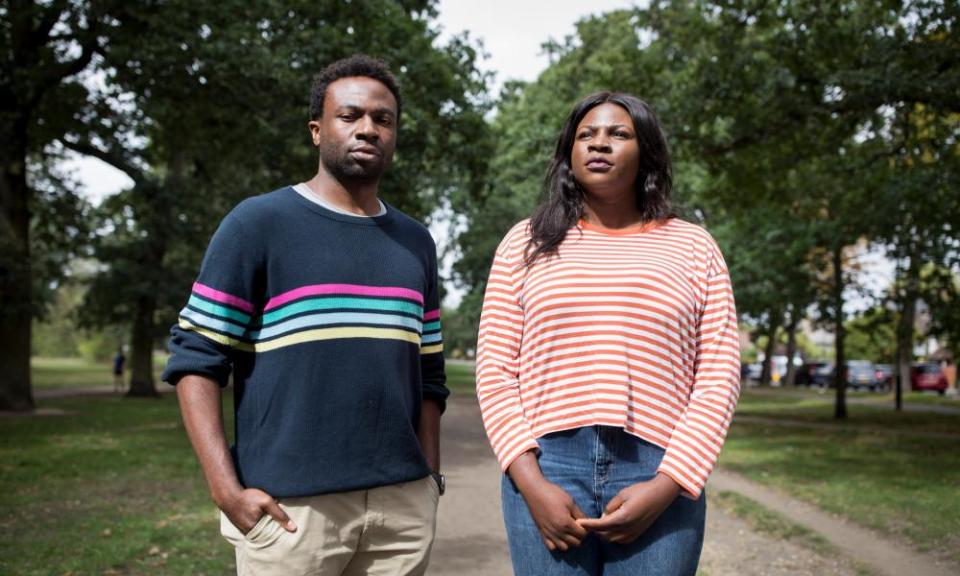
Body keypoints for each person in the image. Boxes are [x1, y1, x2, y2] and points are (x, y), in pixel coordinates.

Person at [162, 54, 448, 576]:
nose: (368, 129)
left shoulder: (415, 242)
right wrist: (226, 491)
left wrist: (429, 478)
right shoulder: (258, 223)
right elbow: (196, 359)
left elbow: (429, 373)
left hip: (402, 510)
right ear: (317, 130)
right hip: (291, 512)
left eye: (383, 120)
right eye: (350, 116)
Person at [476, 92, 740, 576]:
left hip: (659, 470)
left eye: (618, 134)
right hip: (546, 469)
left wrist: (668, 486)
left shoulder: (694, 246)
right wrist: (532, 485)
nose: (599, 144)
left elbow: (719, 376)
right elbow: (494, 370)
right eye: (585, 135)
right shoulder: (526, 242)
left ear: (647, 153)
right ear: (569, 153)